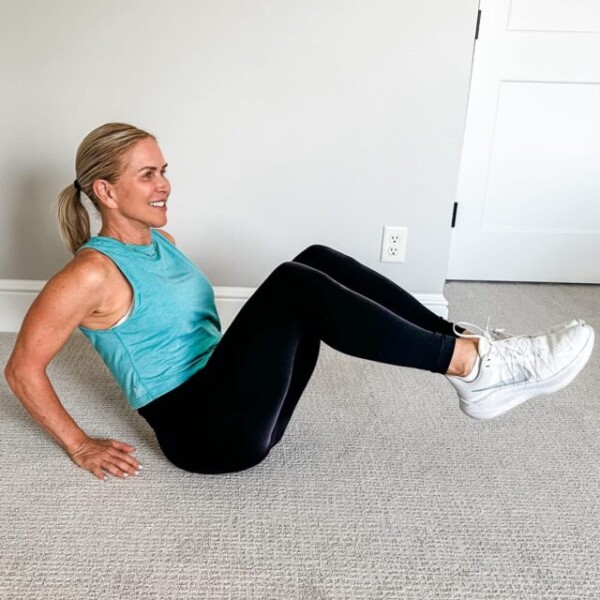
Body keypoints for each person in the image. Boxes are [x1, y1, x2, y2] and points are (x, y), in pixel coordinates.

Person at [4, 123, 595, 481]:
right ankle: (473, 367)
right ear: (105, 191)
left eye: (165, 170)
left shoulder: (162, 242)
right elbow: (22, 367)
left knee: (316, 259)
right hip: (207, 439)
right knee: (293, 283)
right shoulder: (87, 274)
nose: (165, 185)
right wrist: (80, 445)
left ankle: (470, 348)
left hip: (244, 410)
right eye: (147, 175)